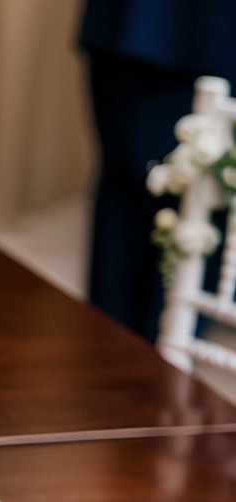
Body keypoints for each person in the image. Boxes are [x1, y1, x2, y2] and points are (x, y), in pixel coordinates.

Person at [80, 0, 236, 341]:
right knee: (170, 212)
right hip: (167, 31)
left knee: (166, 216)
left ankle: (124, 368)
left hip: (142, 31)